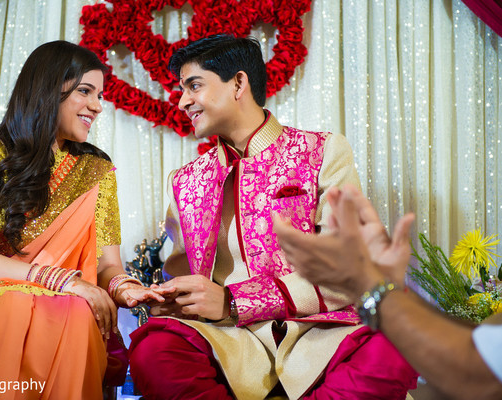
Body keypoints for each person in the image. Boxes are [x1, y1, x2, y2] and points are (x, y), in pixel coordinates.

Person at [128, 34, 417, 400]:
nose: (183, 101)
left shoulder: (322, 150)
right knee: (154, 351)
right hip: (231, 340)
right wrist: (173, 298)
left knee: (397, 342)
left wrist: (235, 300)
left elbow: (347, 265)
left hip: (320, 334)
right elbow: (183, 273)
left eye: (194, 86)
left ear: (238, 83)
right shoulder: (185, 181)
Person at [0, 40, 167, 399]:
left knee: (77, 313)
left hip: (65, 304)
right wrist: (63, 281)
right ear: (47, 90)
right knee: (9, 307)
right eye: (85, 91)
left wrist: (126, 288)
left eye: (100, 95)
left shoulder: (96, 170)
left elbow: (107, 264)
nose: (97, 106)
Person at [274, 184, 502, 400]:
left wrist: (366, 281)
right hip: (245, 344)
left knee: (386, 353)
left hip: (329, 337)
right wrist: (385, 283)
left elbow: (480, 372)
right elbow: (481, 347)